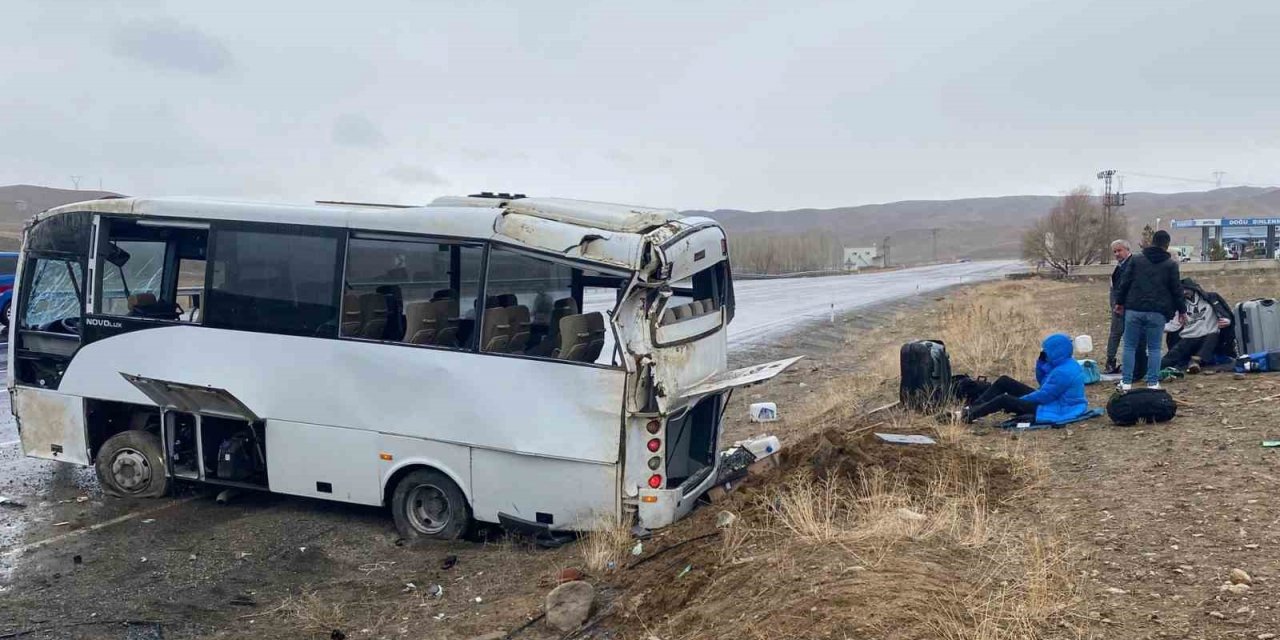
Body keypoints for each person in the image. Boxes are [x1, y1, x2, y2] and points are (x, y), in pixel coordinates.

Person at [1115, 230, 1186, 390]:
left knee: (1129, 346)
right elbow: (1176, 290)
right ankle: (1153, 383)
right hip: (1157, 312)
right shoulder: (1171, 265)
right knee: (1154, 348)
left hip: (1134, 309)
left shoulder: (1137, 259)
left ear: (1152, 241)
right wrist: (1182, 311)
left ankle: (1126, 382)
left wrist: (1119, 302)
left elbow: (1124, 283)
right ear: (1166, 245)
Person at [963, 333, 1088, 424]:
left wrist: (1019, 401)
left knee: (1004, 400)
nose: (1045, 352)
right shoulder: (1065, 363)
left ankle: (966, 417)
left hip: (1057, 408)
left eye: (1046, 351)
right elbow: (1043, 382)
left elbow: (1044, 396)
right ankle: (973, 407)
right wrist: (1041, 361)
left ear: (1056, 352)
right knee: (1004, 381)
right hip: (1052, 401)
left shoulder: (1063, 372)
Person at [1162, 278, 1234, 372]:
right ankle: (1153, 368)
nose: (1184, 292)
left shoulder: (1211, 299)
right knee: (1173, 355)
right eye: (1182, 290)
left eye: (1186, 289)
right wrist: (1157, 328)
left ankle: (1195, 362)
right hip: (1188, 337)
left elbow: (1225, 313)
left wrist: (1227, 320)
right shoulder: (1179, 305)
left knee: (1212, 336)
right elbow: (1174, 325)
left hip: (1209, 336)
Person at [1104, 239, 1133, 374]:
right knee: (1115, 334)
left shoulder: (1132, 265)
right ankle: (1111, 361)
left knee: (1128, 336)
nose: (1116, 254)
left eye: (1119, 250)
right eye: (1114, 251)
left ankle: (1129, 363)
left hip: (1129, 307)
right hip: (1118, 307)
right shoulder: (1119, 267)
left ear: (1127, 250)